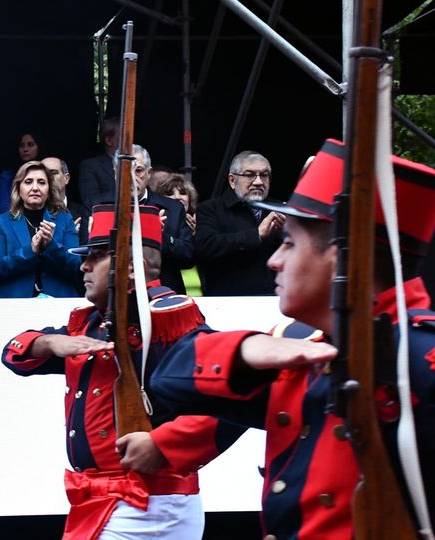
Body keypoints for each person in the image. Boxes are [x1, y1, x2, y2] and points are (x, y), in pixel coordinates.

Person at [147, 139, 435, 539]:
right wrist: (247, 349)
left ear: (342, 255)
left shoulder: (419, 359)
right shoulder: (300, 346)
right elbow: (168, 380)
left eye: (289, 243)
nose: (274, 260)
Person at [2, 204, 247, 539]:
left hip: (151, 502)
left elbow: (237, 394)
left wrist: (162, 444)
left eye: (97, 256)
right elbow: (12, 354)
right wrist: (50, 344)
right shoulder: (91, 322)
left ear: (131, 267)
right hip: (105, 501)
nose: (83, 265)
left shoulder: (165, 319)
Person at [194, 150, 285, 295]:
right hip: (228, 300)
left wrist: (285, 236)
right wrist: (256, 235)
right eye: (249, 175)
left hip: (275, 300)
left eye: (264, 175)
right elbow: (205, 247)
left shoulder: (280, 208)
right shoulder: (211, 209)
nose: (258, 181)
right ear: (232, 180)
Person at [0, 161, 80, 298]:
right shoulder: (2, 222)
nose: (35, 188)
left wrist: (51, 246)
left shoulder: (64, 219)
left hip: (58, 303)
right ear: (18, 188)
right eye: (28, 182)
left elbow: (77, 266)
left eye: (42, 182)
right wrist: (30, 251)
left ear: (49, 191)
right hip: (16, 306)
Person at [121, 145, 194, 295]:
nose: (132, 177)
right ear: (115, 173)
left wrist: (159, 236)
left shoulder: (173, 208)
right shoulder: (98, 205)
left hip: (163, 294)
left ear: (149, 174)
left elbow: (188, 257)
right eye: (124, 169)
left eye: (138, 170)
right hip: (117, 295)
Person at [156, 173, 202, 296]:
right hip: (174, 288)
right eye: (170, 194)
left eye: (182, 193)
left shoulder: (204, 220)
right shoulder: (162, 223)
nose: (177, 197)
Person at [41, 156, 90, 245]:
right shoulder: (32, 213)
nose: (48, 178)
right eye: (44, 174)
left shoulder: (83, 213)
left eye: (53, 173)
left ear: (66, 178)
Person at [0, 131, 46, 213]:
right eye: (21, 146)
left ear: (39, 147)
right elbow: (4, 207)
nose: (25, 149)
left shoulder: (47, 171)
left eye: (30, 145)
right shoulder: (8, 175)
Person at [79, 116, 119, 209]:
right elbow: (90, 200)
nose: (130, 140)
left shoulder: (137, 164)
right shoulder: (90, 166)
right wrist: (125, 194)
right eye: (124, 136)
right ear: (109, 141)